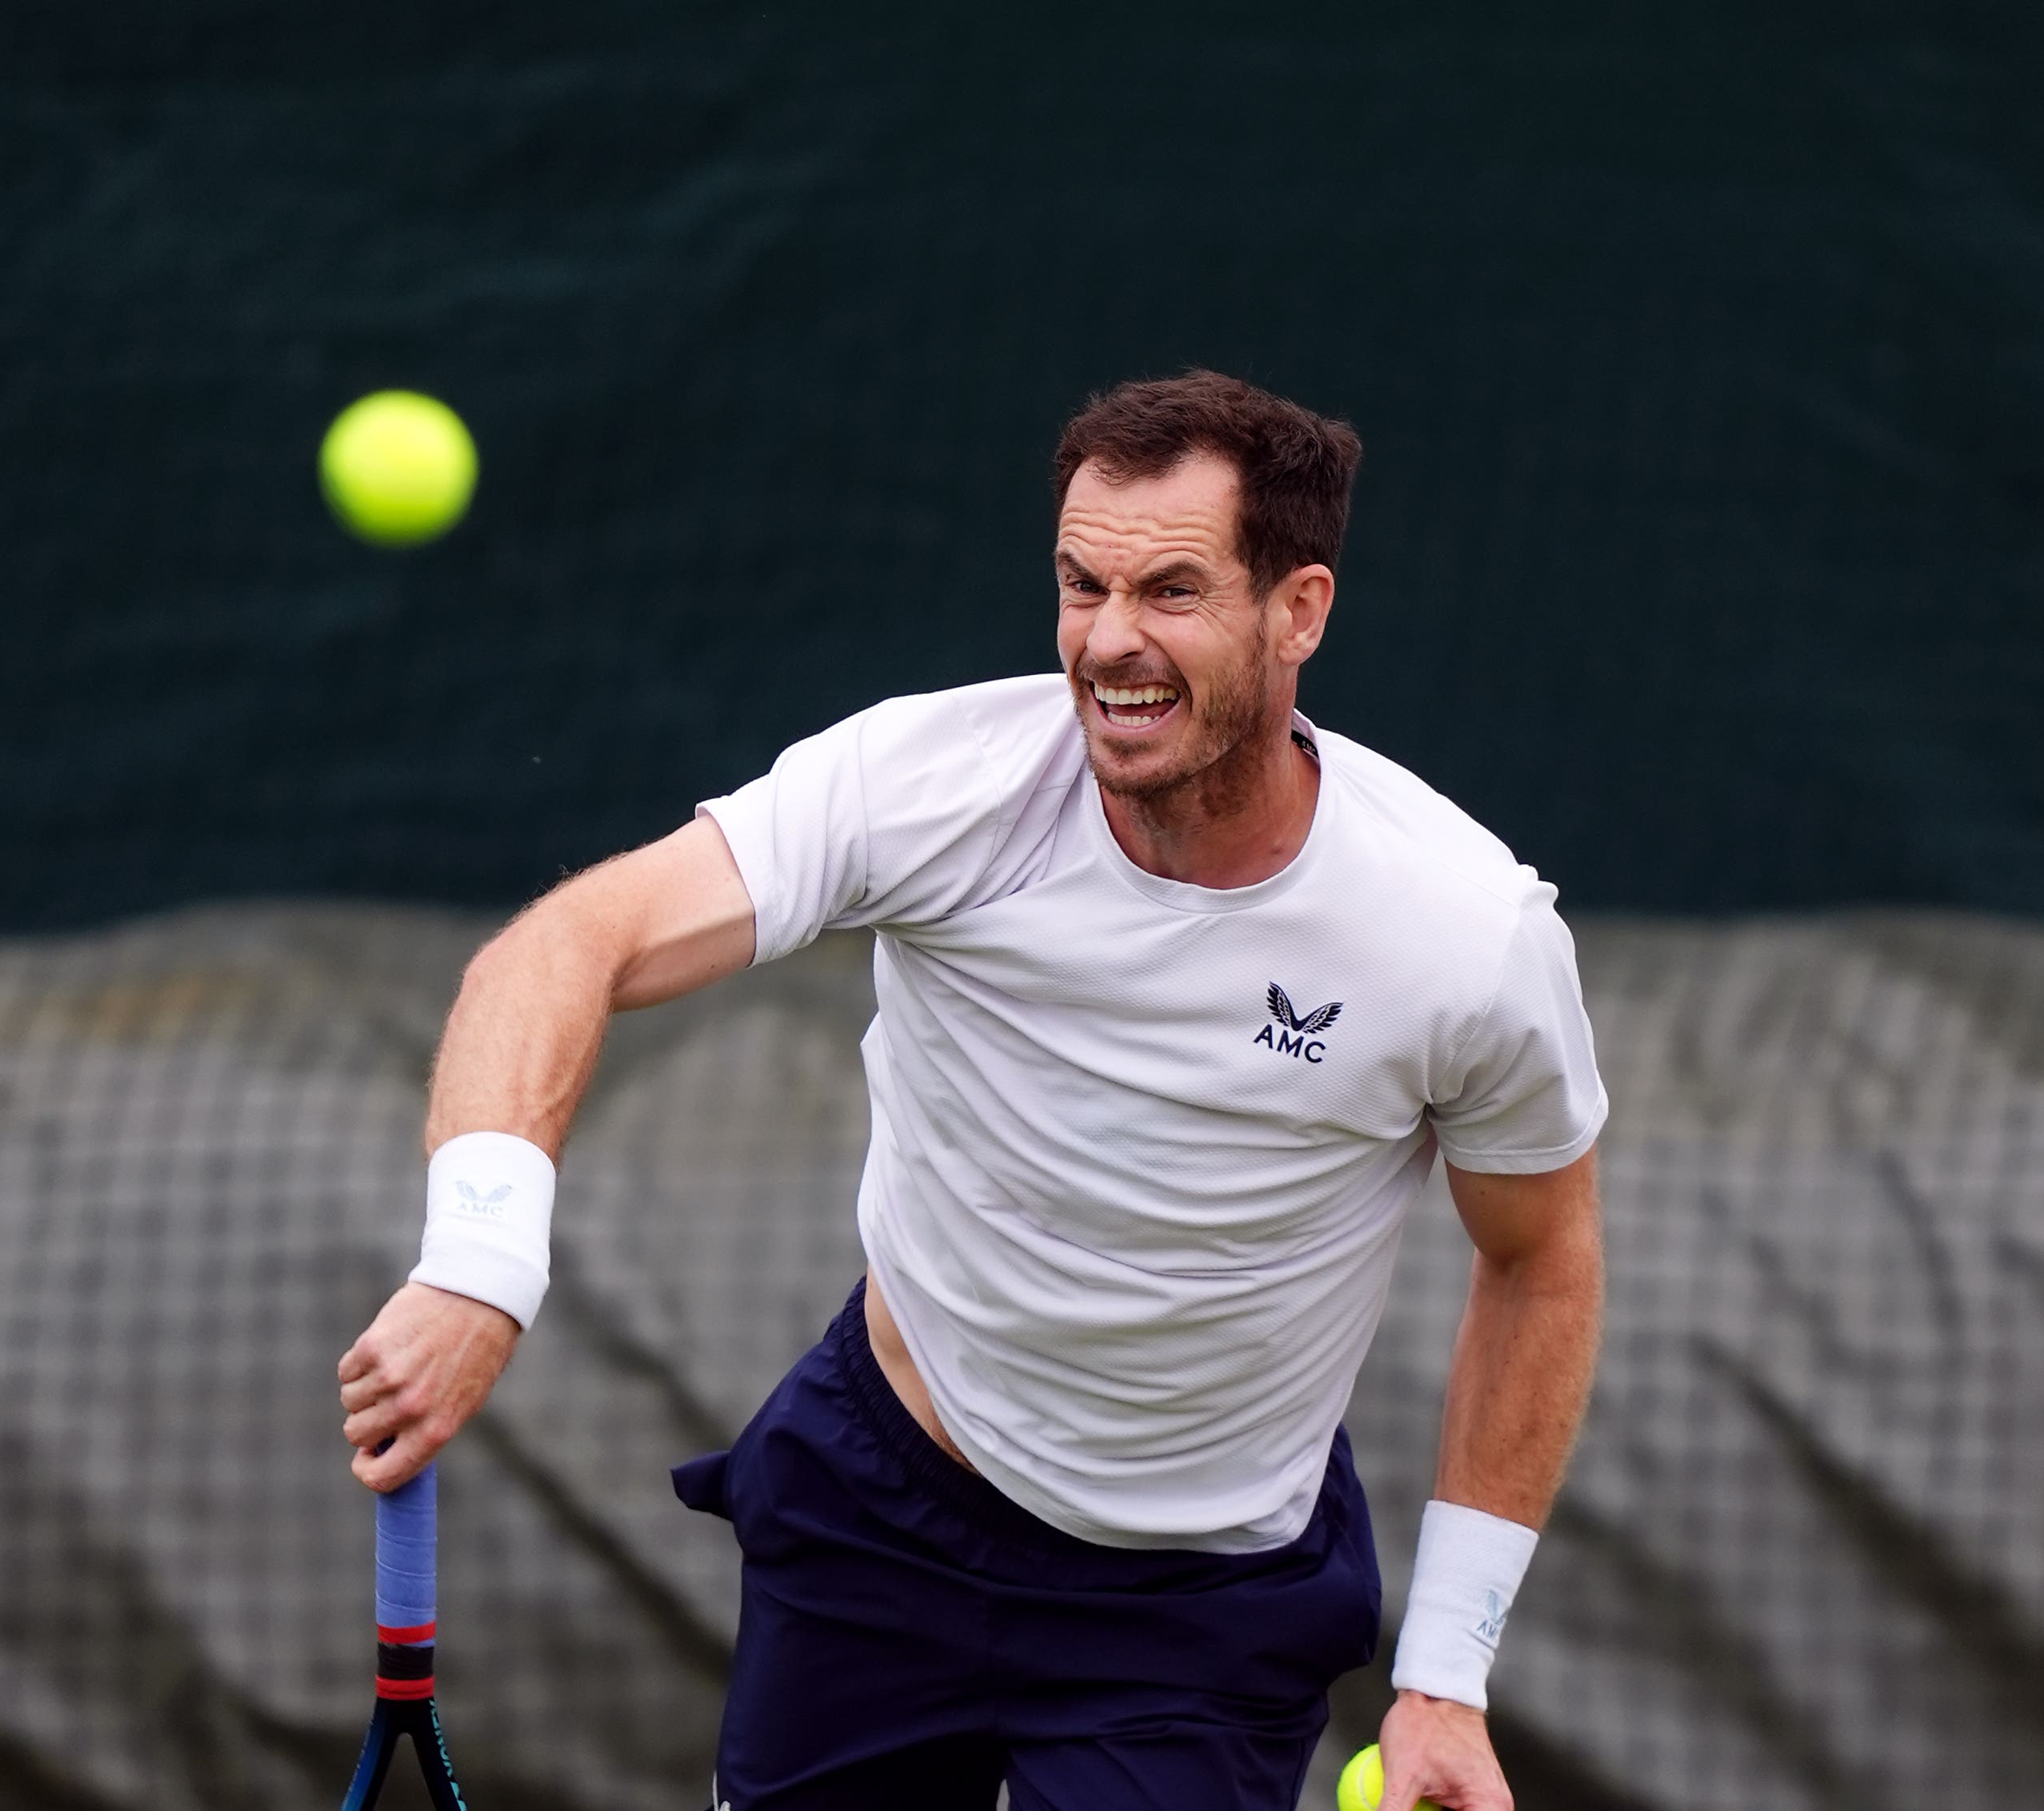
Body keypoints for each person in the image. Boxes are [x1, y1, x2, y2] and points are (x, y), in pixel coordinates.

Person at [334, 371, 1608, 1811]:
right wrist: (479, 1265)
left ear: (1298, 612)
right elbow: (572, 941)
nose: (1111, 641)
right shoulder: (932, 783)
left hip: (1201, 1609)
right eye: (1081, 585)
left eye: (1173, 591)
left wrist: (1446, 1673)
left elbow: (1541, 1257)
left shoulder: (1463, 935)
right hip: (883, 1512)